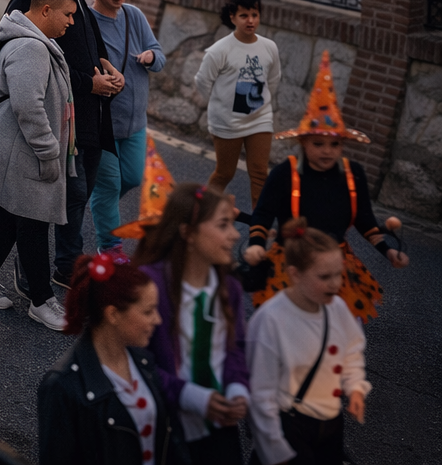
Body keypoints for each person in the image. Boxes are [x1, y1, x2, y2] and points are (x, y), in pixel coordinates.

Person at [243, 51, 407, 323]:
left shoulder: (353, 174)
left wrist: (388, 250)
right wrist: (256, 245)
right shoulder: (286, 173)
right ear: (303, 143)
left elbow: (366, 221)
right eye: (318, 144)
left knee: (333, 332)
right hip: (292, 263)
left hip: (334, 265)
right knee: (289, 330)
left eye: (335, 144)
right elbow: (262, 214)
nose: (327, 151)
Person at [6, 0, 124, 292]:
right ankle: (49, 270)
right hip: (60, 127)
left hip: (88, 124)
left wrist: (109, 70)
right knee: (58, 205)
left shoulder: (79, 2)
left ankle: (57, 267)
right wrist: (89, 84)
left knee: (74, 202)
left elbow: (93, 51)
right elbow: (26, 62)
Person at [0, 0, 79, 331]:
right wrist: (49, 151)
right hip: (25, 152)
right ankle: (42, 301)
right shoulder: (31, 48)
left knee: (12, 215)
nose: (71, 22)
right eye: (67, 14)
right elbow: (29, 107)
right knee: (33, 220)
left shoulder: (34, 42)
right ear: (45, 11)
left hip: (18, 151)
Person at [135, 184, 251, 464]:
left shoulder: (229, 288)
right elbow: (135, 362)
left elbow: (234, 349)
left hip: (218, 428)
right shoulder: (150, 286)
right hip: (163, 428)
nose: (235, 234)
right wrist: (190, 396)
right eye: (223, 225)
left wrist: (237, 389)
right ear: (187, 232)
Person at [36, 251, 187, 465]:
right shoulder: (62, 386)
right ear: (113, 314)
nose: (157, 319)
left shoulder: (142, 360)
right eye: (148, 311)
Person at [246, 220, 370, 465]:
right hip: (291, 426)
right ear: (295, 274)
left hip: (331, 421)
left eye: (339, 274)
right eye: (325, 276)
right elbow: (260, 393)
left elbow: (352, 349)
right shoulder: (271, 319)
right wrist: (274, 449)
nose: (336, 284)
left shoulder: (337, 308)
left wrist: (355, 386)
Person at [90, 0, 166, 251]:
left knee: (133, 177)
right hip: (104, 122)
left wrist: (151, 57)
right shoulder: (89, 20)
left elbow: (159, 55)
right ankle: (110, 247)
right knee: (108, 186)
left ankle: (99, 203)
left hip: (135, 121)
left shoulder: (133, 15)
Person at [195, 0, 281, 205]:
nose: (250, 20)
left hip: (259, 120)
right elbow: (202, 81)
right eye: (244, 15)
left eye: (254, 14)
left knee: (261, 173)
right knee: (225, 173)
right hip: (227, 122)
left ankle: (259, 226)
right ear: (233, 17)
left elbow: (273, 79)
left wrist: (263, 105)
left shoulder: (269, 47)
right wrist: (221, 103)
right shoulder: (219, 50)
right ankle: (203, 211)